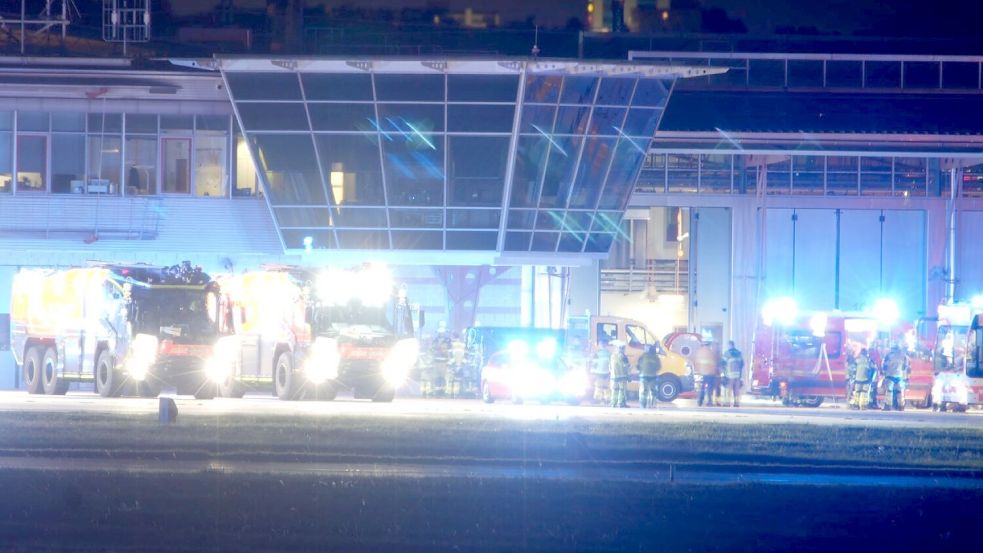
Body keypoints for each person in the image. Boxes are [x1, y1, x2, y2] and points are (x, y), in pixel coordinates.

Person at [881, 345, 909, 411]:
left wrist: (884, 372)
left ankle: (888, 406)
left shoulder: (889, 355)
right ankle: (901, 406)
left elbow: (884, 365)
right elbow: (905, 366)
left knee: (889, 391)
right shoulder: (903, 356)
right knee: (899, 392)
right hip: (899, 376)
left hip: (890, 375)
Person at [694, 341, 720, 407]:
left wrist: (698, 371)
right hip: (710, 373)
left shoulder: (699, 352)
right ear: (709, 345)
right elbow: (714, 363)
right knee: (709, 388)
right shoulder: (711, 352)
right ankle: (709, 401)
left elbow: (696, 362)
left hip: (701, 373)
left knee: (702, 387)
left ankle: (700, 401)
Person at [721, 341, 744, 407]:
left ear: (729, 345)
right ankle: (737, 403)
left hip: (729, 375)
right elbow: (742, 364)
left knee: (728, 389)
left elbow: (722, 363)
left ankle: (727, 403)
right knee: (736, 390)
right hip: (737, 375)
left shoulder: (727, 353)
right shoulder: (739, 353)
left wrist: (723, 372)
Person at [609, 341, 630, 408]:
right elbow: (626, 366)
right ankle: (621, 403)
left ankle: (613, 403)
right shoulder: (623, 356)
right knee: (622, 390)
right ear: (622, 349)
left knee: (615, 390)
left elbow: (610, 366)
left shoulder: (613, 356)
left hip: (614, 377)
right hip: (622, 376)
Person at [591, 339, 612, 405]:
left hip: (599, 372)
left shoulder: (597, 354)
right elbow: (611, 363)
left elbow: (594, 364)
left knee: (598, 386)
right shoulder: (609, 353)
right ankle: (607, 399)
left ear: (600, 345)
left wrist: (592, 371)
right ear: (605, 345)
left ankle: (598, 399)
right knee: (607, 386)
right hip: (607, 372)